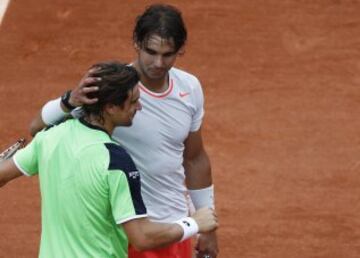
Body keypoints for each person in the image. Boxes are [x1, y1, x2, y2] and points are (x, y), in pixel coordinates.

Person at [30, 4, 218, 258]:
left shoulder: (190, 88)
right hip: (123, 229)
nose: (158, 63)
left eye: (168, 54)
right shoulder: (113, 89)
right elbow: (37, 128)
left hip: (173, 224)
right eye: (151, 52)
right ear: (136, 42)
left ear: (180, 49)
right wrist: (68, 101)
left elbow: (194, 158)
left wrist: (206, 227)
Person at [0, 61, 217, 258]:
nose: (139, 108)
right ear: (111, 107)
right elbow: (142, 238)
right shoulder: (117, 162)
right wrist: (194, 223)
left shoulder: (50, 137)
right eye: (133, 102)